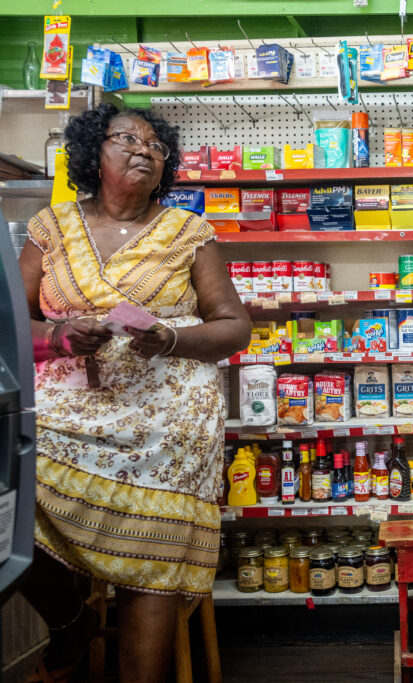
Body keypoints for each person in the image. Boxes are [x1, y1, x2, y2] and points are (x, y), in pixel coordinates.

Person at [17, 103, 251, 682]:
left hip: (168, 413)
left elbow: (233, 326)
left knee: (152, 548)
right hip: (65, 403)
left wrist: (170, 337)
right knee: (10, 489)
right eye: (127, 138)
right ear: (92, 150)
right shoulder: (51, 226)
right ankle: (71, 621)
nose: (144, 150)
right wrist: (58, 332)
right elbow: (9, 322)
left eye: (156, 145)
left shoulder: (189, 231)